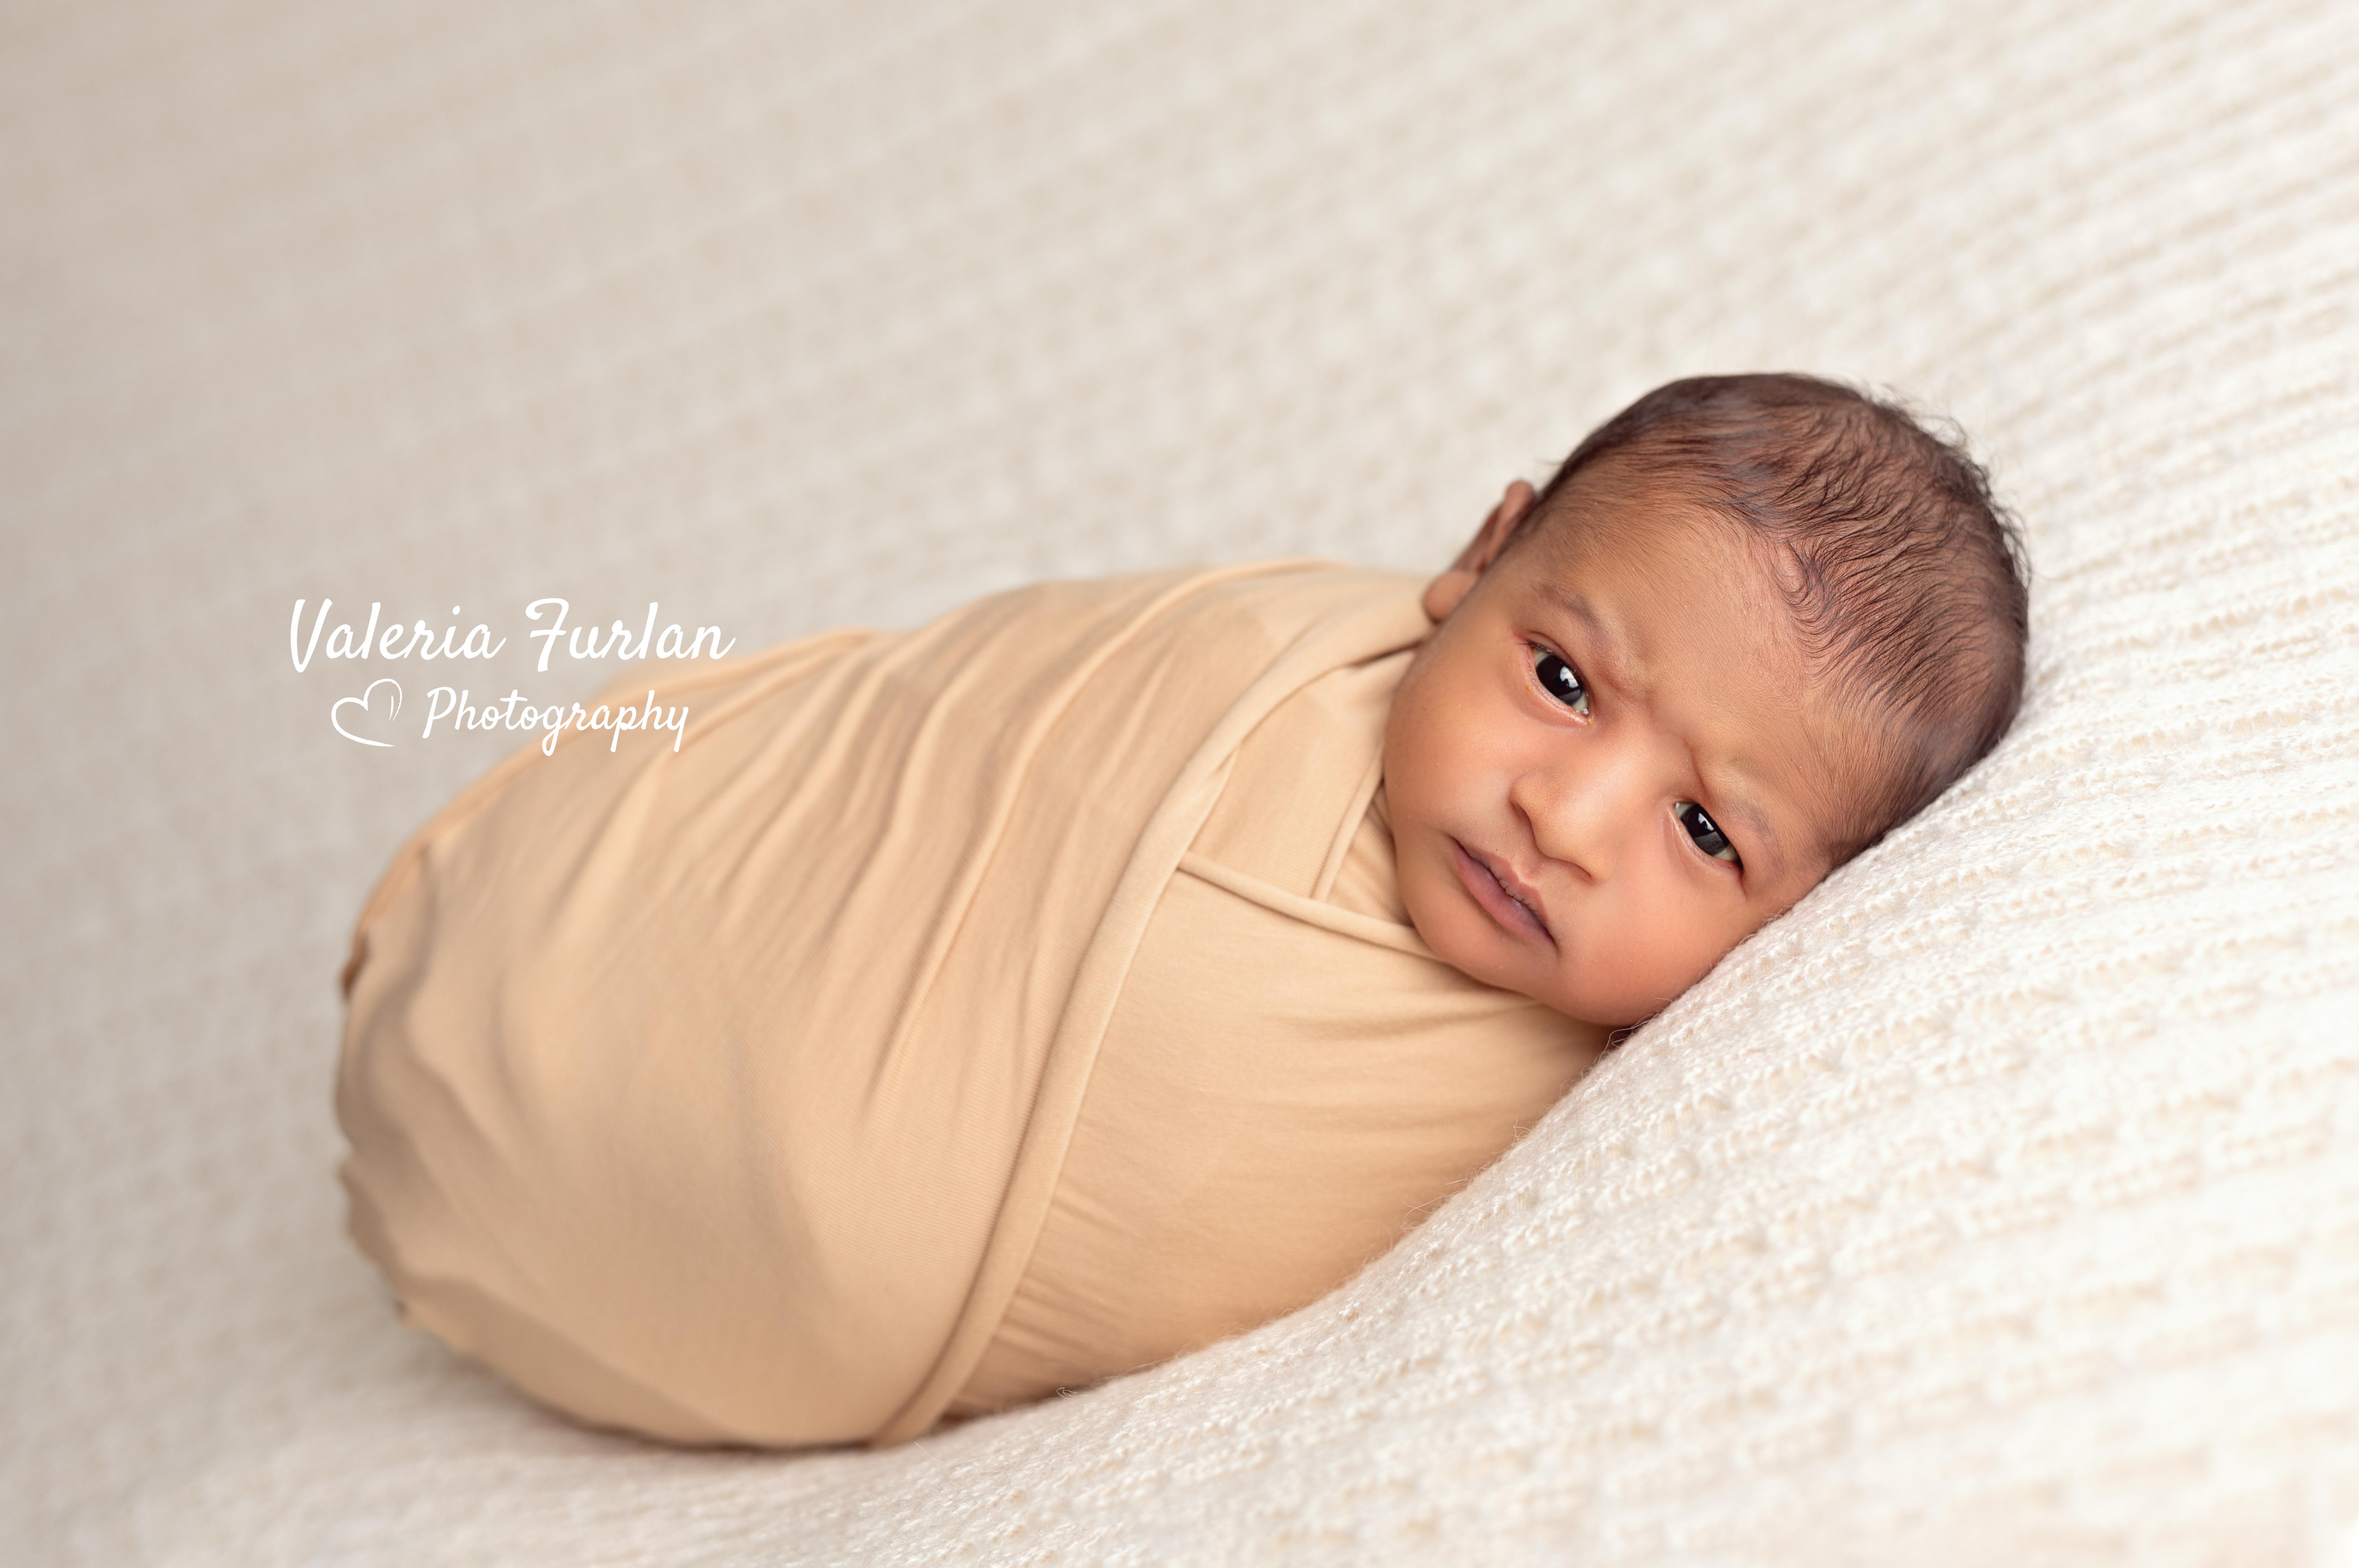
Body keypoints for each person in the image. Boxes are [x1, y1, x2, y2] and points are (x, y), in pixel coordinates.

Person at [335, 373, 2029, 1450]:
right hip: (567, 925)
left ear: (1811, 916)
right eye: (1561, 678)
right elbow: (956, 716)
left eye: (1703, 830)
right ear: (1478, 558)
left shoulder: (1634, 1100)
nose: (1563, 817)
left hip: (691, 1283)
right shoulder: (1265, 657)